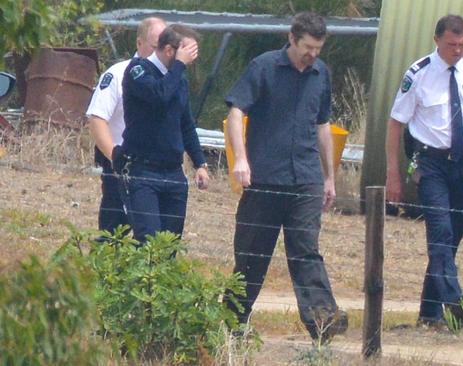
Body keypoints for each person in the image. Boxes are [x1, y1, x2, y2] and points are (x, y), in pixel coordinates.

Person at [223, 12, 347, 343]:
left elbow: (323, 126)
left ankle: (323, 321)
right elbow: (236, 112)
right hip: (264, 177)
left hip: (305, 178)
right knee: (252, 254)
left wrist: (328, 177)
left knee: (306, 250)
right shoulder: (263, 67)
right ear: (292, 39)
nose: (313, 54)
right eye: (308, 47)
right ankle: (233, 324)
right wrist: (241, 160)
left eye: (318, 48)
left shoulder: (321, 74)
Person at [385, 15, 463, 330]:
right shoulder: (418, 74)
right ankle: (454, 299)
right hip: (430, 162)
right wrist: (392, 172)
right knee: (440, 231)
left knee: (453, 235)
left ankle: (430, 314)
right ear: (437, 40)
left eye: (461, 44)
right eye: (451, 45)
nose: (457, 50)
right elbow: (395, 124)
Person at [116, 24, 209, 243]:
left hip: (173, 173)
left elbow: (185, 124)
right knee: (149, 243)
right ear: (169, 50)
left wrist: (200, 163)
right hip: (143, 171)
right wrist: (178, 66)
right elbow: (159, 95)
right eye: (187, 52)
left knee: (168, 245)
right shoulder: (138, 70)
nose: (190, 60)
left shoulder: (178, 80)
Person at [86, 17, 166, 233]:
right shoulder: (117, 75)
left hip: (158, 169)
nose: (162, 53)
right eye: (156, 46)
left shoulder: (170, 79)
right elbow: (97, 118)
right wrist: (116, 158)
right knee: (115, 233)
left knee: (154, 236)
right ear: (139, 43)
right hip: (123, 165)